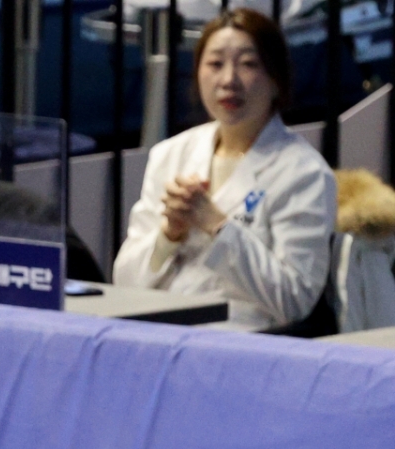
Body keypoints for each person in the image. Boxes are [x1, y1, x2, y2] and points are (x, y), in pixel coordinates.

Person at [113, 9, 335, 332]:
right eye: (215, 64)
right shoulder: (170, 155)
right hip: (161, 330)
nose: (229, 80)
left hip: (244, 339)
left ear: (276, 80)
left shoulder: (304, 173)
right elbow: (124, 282)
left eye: (248, 64)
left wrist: (217, 226)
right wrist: (169, 234)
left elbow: (295, 298)